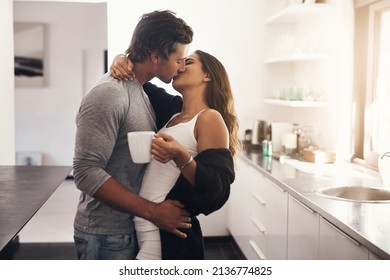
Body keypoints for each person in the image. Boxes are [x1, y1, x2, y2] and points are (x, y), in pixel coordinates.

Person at [72, 10, 194, 260]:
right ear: (156, 56)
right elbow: (85, 172)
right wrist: (153, 212)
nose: (182, 67)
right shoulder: (110, 93)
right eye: (179, 59)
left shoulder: (140, 90)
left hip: (125, 230)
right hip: (105, 234)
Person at [110, 50, 240, 259]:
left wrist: (181, 157)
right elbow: (138, 79)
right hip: (144, 231)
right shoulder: (173, 113)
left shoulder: (210, 118)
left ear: (207, 76)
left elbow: (217, 189)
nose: (179, 67)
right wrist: (121, 59)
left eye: (187, 62)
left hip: (165, 239)